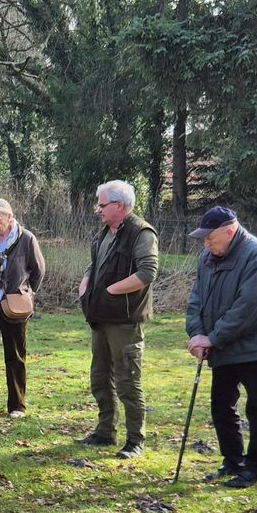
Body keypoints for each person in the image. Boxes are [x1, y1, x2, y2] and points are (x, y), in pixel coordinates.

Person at [183, 207, 257, 487]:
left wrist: (213, 338)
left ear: (230, 232)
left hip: (256, 345)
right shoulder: (207, 257)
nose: (206, 244)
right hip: (222, 344)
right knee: (221, 405)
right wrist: (197, 333)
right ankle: (233, 460)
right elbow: (196, 300)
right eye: (204, 239)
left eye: (210, 238)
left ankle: (256, 467)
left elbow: (249, 309)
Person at [76, 179, 158, 454]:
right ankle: (104, 432)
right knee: (100, 378)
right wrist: (87, 279)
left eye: (102, 205)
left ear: (119, 206)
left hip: (124, 321)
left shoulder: (142, 233)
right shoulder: (105, 232)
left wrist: (112, 289)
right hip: (100, 317)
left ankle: (135, 441)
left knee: (127, 381)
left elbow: (147, 273)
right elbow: (95, 263)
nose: (98, 210)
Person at [0, 199, 46, 420]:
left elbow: (38, 270)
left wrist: (26, 293)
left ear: (10, 218)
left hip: (14, 306)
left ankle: (17, 405)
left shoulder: (26, 239)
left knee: (15, 356)